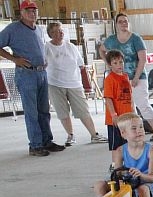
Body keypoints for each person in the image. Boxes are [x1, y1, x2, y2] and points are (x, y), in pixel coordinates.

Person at [0, 0, 65, 157]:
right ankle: (35, 145)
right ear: (21, 13)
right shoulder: (13, 29)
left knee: (44, 110)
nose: (32, 13)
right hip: (26, 73)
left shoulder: (38, 29)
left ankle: (46, 141)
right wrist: (14, 59)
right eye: (28, 10)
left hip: (41, 73)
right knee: (32, 112)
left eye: (34, 10)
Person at [99, 13, 153, 142]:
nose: (123, 24)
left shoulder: (136, 38)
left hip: (137, 77)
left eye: (125, 21)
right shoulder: (111, 40)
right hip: (119, 78)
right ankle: (131, 133)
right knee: (127, 106)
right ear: (116, 24)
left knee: (142, 104)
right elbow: (101, 50)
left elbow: (143, 59)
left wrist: (136, 77)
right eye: (120, 21)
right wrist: (108, 63)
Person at [44, 21, 107, 146]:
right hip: (55, 84)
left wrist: (85, 83)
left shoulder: (71, 46)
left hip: (74, 83)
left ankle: (94, 134)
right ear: (50, 34)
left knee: (83, 110)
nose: (59, 33)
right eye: (55, 32)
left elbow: (81, 65)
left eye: (60, 30)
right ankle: (70, 135)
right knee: (62, 111)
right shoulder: (46, 47)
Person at [103, 49, 133, 159]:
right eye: (115, 63)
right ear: (110, 65)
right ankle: (115, 164)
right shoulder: (110, 79)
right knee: (116, 144)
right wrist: (113, 115)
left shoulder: (125, 76)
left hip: (127, 116)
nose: (119, 65)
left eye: (121, 62)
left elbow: (130, 96)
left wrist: (132, 111)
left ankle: (127, 162)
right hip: (115, 119)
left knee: (128, 141)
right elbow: (108, 98)